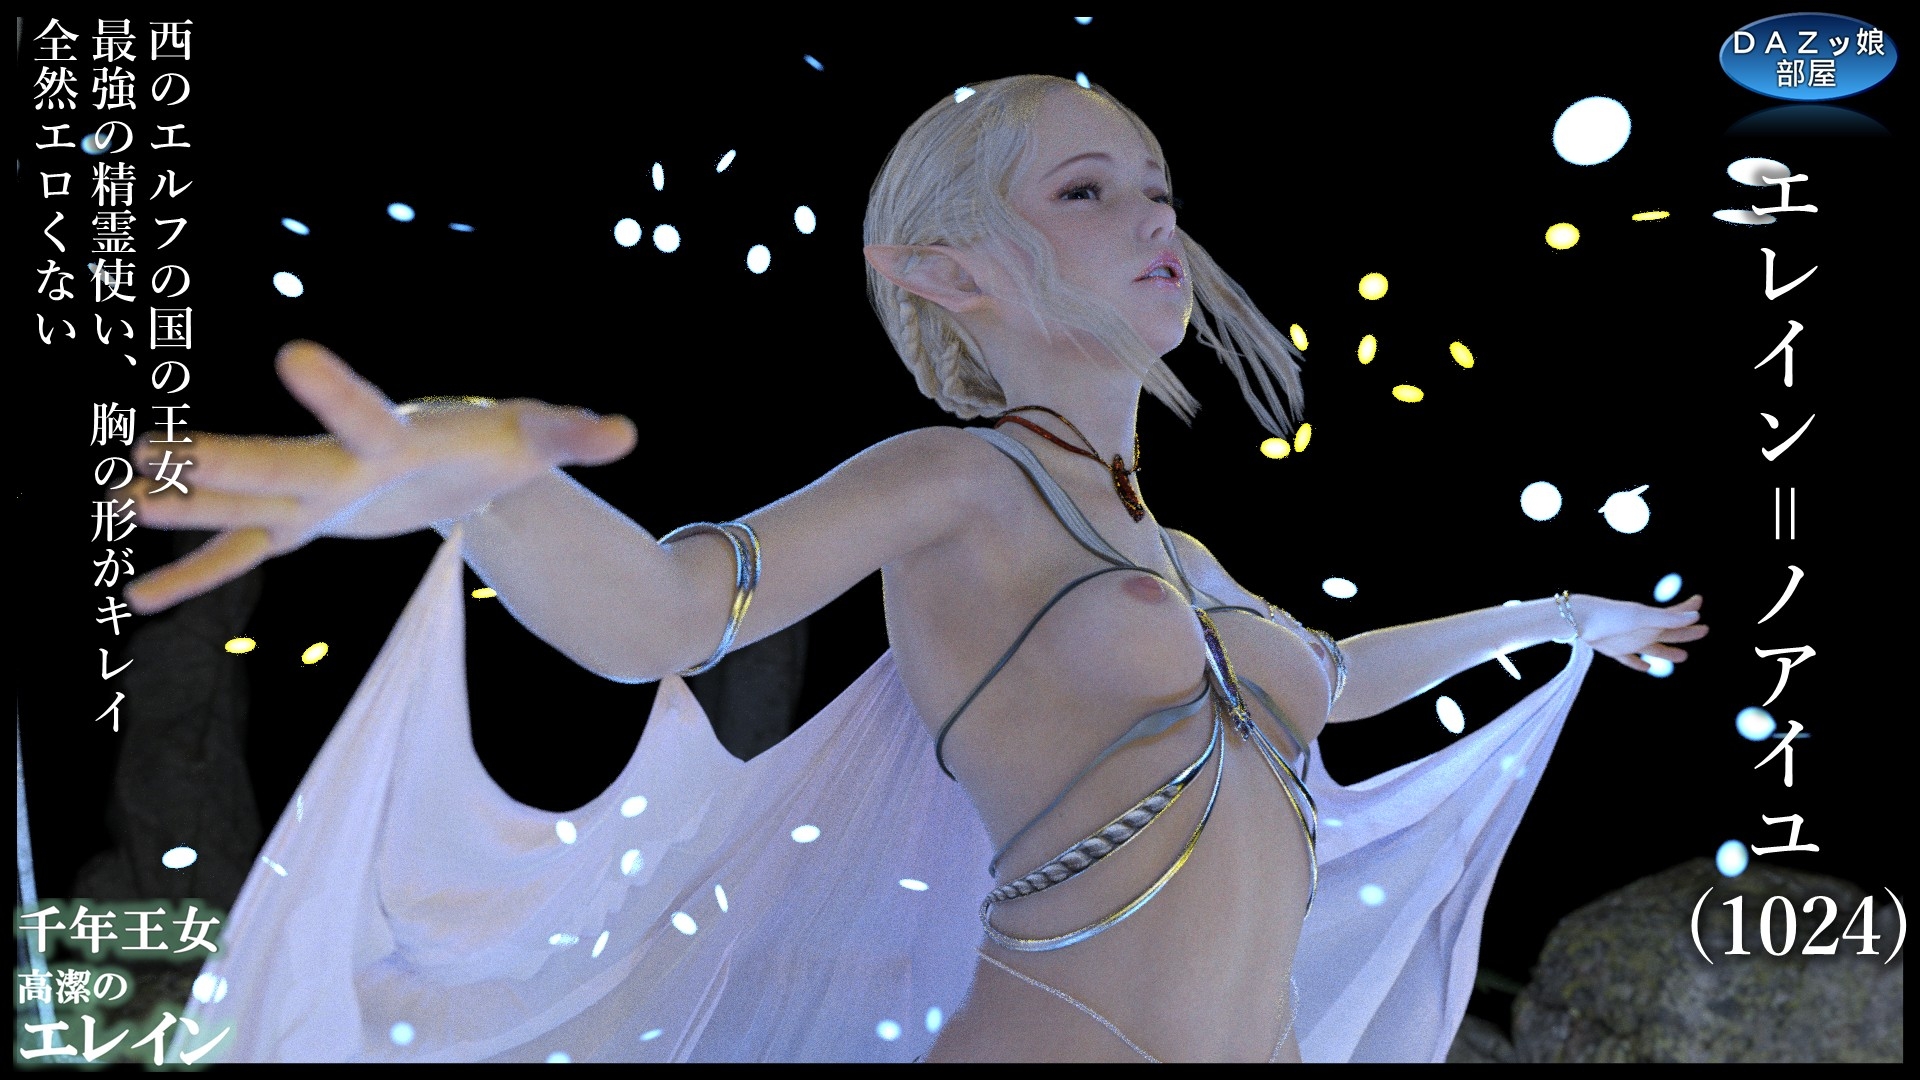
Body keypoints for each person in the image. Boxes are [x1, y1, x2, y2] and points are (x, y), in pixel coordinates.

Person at [127, 76, 1707, 1062]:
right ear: (949, 269)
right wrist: (484, 488)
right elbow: (670, 611)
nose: (1152, 220)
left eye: (1156, 190)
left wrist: (1560, 615)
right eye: (1086, 191)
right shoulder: (956, 479)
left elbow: (1340, 678)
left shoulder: (1182, 553)